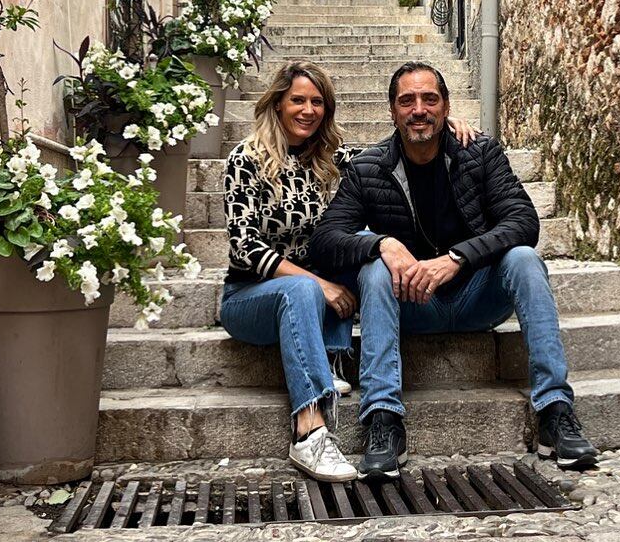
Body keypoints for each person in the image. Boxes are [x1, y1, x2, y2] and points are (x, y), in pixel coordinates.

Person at [309, 61, 599, 481]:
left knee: (524, 259)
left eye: (430, 99)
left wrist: (457, 258)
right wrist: (382, 243)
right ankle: (383, 419)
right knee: (374, 271)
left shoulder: (478, 153)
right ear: (392, 111)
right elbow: (326, 240)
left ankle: (555, 410)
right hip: (411, 303)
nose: (419, 109)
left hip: (476, 297)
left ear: (445, 107)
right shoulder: (368, 168)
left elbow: (523, 221)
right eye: (407, 100)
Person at [221, 60, 477, 482]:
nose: (308, 110)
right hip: (253, 295)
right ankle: (309, 431)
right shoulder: (244, 160)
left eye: (317, 102)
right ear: (278, 105)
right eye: (297, 101)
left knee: (355, 245)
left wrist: (446, 128)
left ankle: (334, 358)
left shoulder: (334, 159)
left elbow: (407, 145)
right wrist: (317, 283)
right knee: (303, 289)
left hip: (318, 300)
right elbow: (246, 248)